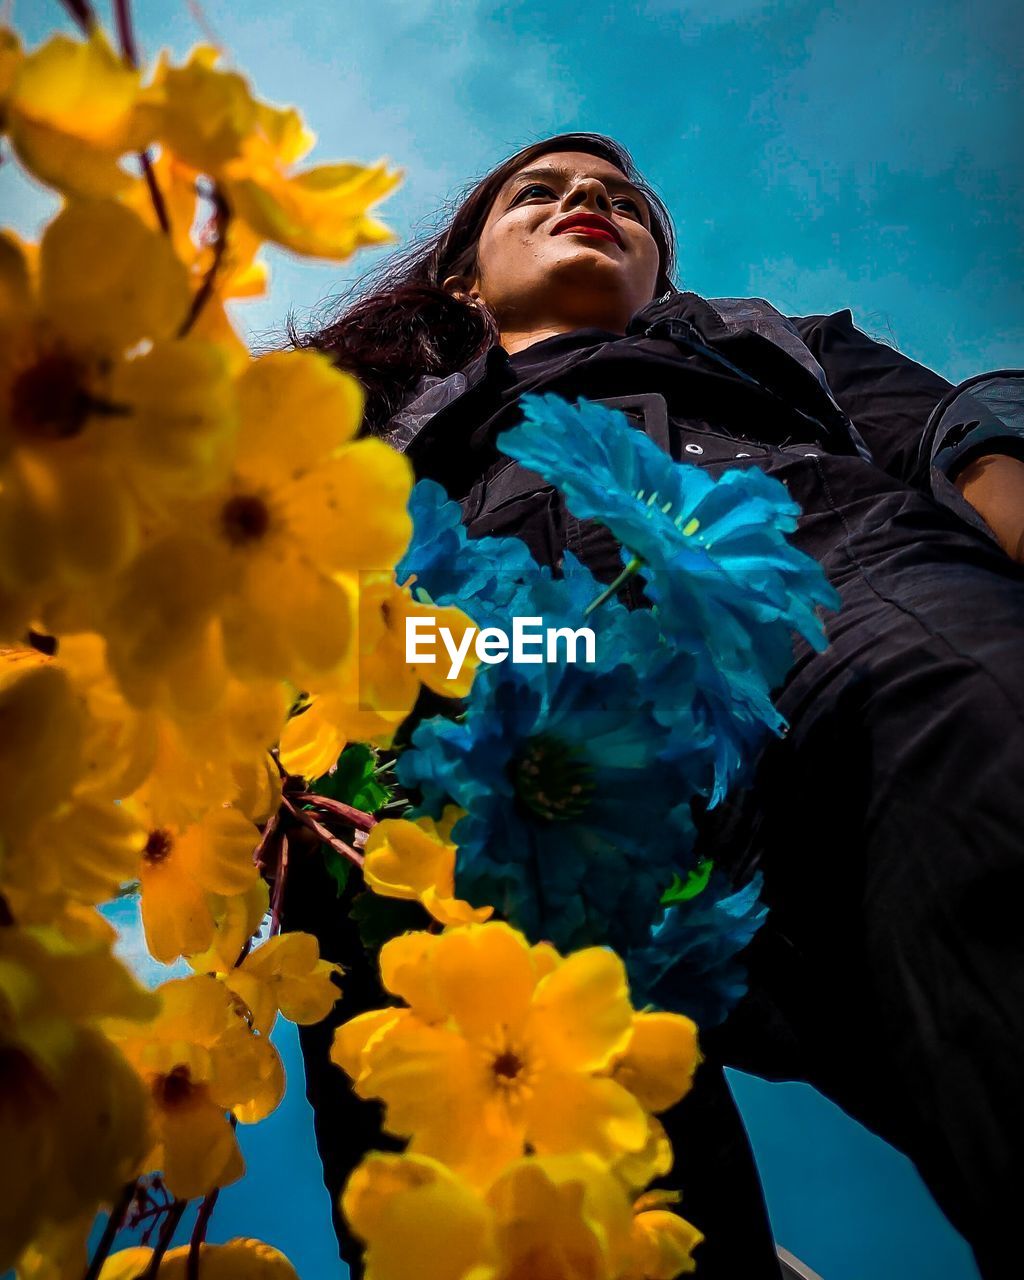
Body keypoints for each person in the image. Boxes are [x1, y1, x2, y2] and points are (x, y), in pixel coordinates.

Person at [283, 133, 1024, 1280]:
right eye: (542, 191)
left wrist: (995, 474)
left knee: (976, 764)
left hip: (815, 585)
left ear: (661, 277)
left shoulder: (779, 342)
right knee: (506, 1167)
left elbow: (954, 428)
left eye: (623, 199)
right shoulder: (356, 425)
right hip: (475, 724)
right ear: (461, 279)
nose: (589, 198)